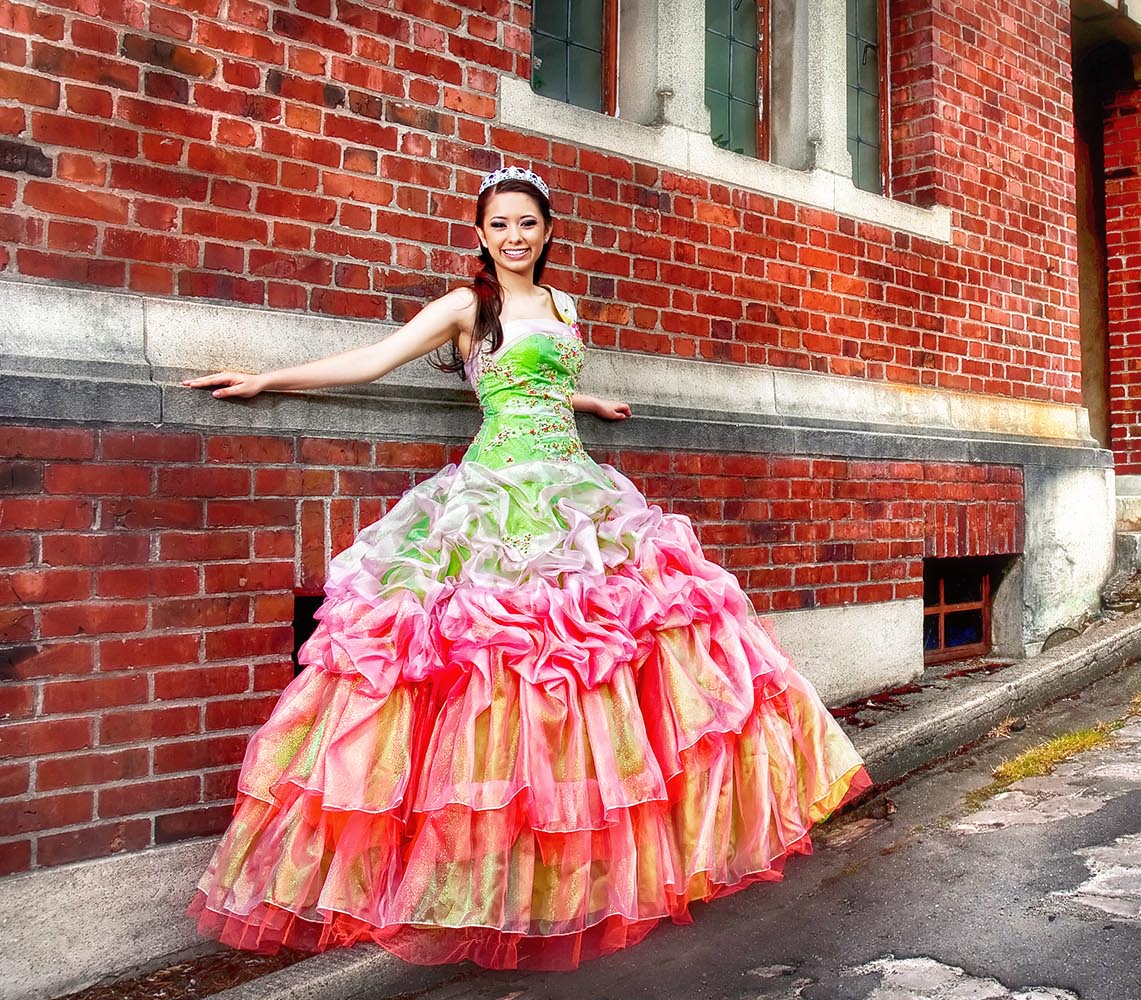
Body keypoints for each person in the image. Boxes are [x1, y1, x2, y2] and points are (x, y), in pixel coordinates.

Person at [182, 165, 871, 971]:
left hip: (575, 494)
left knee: (604, 665)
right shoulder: (468, 307)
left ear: (546, 233)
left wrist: (589, 405)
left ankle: (586, 869)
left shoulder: (564, 306)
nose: (514, 236)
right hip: (496, 498)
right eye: (499, 224)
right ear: (481, 236)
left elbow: (535, 380)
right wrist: (268, 378)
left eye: (527, 224)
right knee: (503, 675)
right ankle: (480, 878)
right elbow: (377, 360)